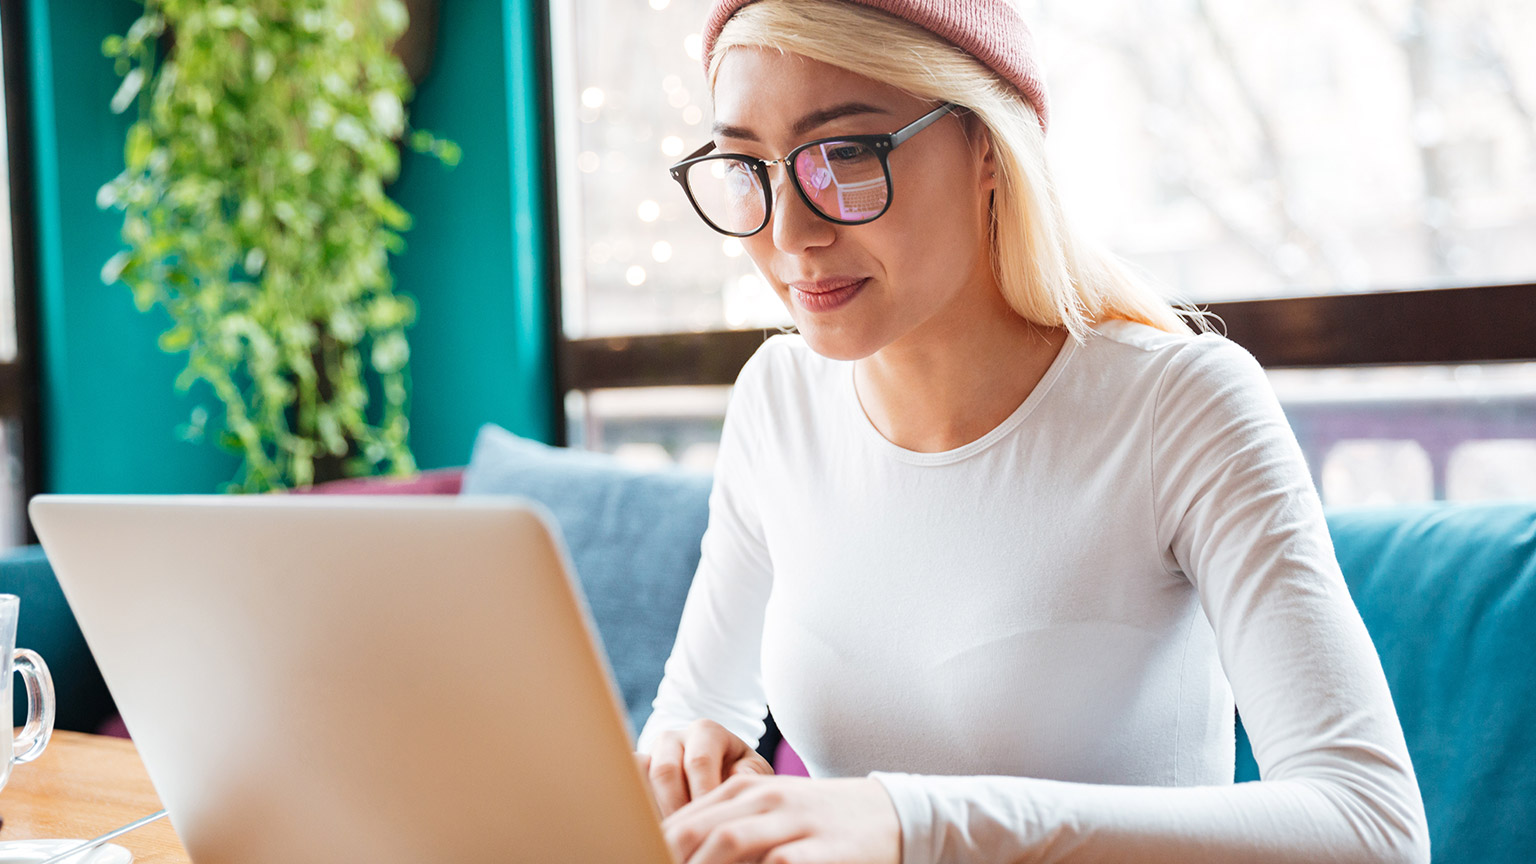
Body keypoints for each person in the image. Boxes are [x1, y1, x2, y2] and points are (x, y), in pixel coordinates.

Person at [632, 1, 1431, 863]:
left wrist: (919, 824)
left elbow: (1373, 827)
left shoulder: (1180, 407)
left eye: (846, 156)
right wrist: (688, 759)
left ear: (986, 146)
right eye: (748, 165)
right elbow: (694, 713)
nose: (790, 233)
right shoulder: (778, 400)